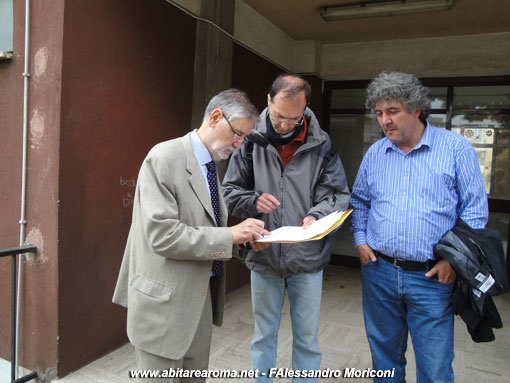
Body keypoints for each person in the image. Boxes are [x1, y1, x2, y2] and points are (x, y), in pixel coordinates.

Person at [112, 89, 269, 382]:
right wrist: (230, 235)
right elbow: (164, 236)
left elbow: (204, 227)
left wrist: (241, 242)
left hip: (198, 307)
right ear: (215, 117)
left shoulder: (210, 166)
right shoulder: (163, 157)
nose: (239, 145)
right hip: (162, 309)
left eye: (245, 138)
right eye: (238, 134)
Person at [350, 71, 488, 383]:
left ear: (416, 110)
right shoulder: (375, 153)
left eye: (393, 112)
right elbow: (359, 201)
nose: (385, 121)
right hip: (379, 273)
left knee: (435, 368)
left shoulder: (455, 149)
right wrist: (360, 239)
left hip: (432, 278)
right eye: (379, 113)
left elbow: (475, 213)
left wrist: (452, 260)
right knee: (385, 362)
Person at [222, 74, 350, 382]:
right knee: (263, 335)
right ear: (268, 100)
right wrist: (253, 202)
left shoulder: (321, 143)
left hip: (307, 257)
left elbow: (337, 194)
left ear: (306, 108)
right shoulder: (249, 140)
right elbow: (229, 191)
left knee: (306, 339)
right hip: (264, 255)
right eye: (280, 117)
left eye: (294, 119)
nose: (285, 125)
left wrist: (316, 215)